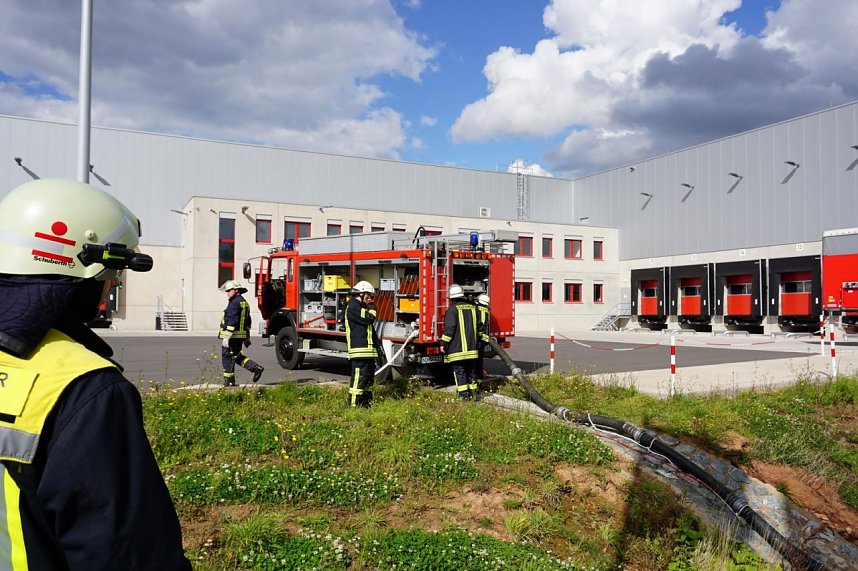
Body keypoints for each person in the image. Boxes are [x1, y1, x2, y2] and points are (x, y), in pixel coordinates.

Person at [0, 178, 191, 569]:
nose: (115, 281)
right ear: (78, 267)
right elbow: (127, 555)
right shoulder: (85, 389)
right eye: (110, 272)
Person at [218, 279, 264, 386]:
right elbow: (247, 321)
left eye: (229, 290)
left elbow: (233, 320)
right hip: (240, 336)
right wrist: (247, 337)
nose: (227, 293)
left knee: (227, 357)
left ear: (236, 290)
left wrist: (227, 337)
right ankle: (255, 368)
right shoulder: (244, 302)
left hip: (232, 336)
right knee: (235, 356)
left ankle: (229, 382)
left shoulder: (234, 303)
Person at [440, 284, 480, 401]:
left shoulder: (452, 310)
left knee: (460, 372)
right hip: (472, 349)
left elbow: (450, 329)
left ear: (451, 298)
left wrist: (443, 343)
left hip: (457, 350)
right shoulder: (474, 308)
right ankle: (473, 394)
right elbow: (480, 326)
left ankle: (463, 397)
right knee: (472, 371)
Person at [345, 280, 378, 407]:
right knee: (358, 379)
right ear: (361, 294)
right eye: (368, 296)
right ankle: (354, 405)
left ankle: (365, 403)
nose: (370, 299)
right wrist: (372, 306)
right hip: (359, 351)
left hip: (367, 351)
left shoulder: (359, 307)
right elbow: (369, 318)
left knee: (367, 379)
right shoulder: (353, 307)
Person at [475, 293, 491, 381]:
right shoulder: (485, 310)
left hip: (478, 340)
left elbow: (480, 326)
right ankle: (479, 377)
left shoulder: (478, 309)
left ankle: (477, 377)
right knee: (479, 359)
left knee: (476, 359)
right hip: (482, 339)